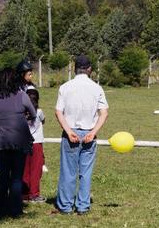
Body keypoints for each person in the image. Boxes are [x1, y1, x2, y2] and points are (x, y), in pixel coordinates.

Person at [55, 54, 108, 215]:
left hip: (70, 133)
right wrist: (93, 132)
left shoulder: (65, 87)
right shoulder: (97, 88)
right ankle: (83, 206)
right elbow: (104, 113)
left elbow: (58, 111)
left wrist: (69, 131)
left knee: (68, 172)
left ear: (74, 68)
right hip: (88, 134)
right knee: (85, 173)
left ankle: (65, 206)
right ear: (89, 69)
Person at [0, 68, 36, 218]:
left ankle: (0, 208)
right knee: (17, 177)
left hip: (2, 141)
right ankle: (15, 209)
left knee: (3, 175)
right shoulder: (22, 96)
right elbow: (34, 113)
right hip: (19, 141)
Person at [22, 89, 46, 203]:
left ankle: (24, 193)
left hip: (24, 142)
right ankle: (34, 194)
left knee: (24, 169)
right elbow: (43, 121)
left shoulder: (21, 112)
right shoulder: (39, 111)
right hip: (37, 143)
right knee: (36, 170)